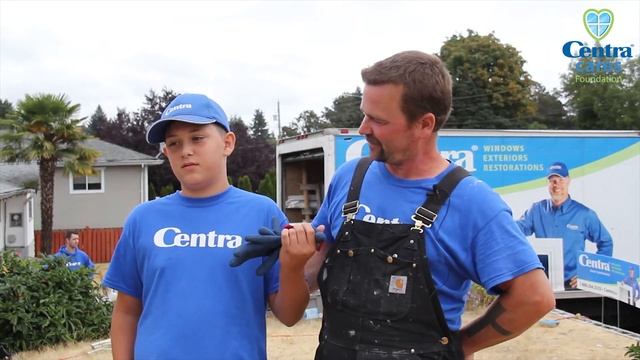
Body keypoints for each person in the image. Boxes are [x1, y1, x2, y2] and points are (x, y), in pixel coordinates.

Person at [288, 51, 555, 360]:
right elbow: (311, 270)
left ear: (424, 124)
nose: (363, 128)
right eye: (365, 114)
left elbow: (534, 297)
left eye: (378, 120)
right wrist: (289, 260)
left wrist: (461, 346)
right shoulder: (350, 178)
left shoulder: (472, 201)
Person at [102, 93, 316, 360]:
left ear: (227, 143)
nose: (186, 150)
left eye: (197, 138)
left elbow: (289, 315)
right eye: (174, 143)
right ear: (166, 152)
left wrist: (294, 266)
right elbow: (126, 311)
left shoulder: (262, 213)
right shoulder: (143, 219)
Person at [517, 161, 613, 289]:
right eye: (552, 181)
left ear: (568, 181)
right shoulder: (536, 210)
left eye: (560, 180)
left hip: (574, 286)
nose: (556, 185)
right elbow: (516, 230)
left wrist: (590, 274)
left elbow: (606, 243)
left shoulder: (584, 214)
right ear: (547, 183)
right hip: (543, 286)